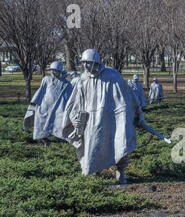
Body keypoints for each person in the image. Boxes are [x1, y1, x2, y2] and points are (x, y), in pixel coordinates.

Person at [62, 49, 146, 185]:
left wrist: (137, 114)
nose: (85, 67)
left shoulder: (112, 76)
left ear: (95, 63)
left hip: (112, 119)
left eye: (88, 63)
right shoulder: (83, 79)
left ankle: (121, 172)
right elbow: (75, 102)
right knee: (92, 146)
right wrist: (74, 117)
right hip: (91, 120)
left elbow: (128, 95)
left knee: (119, 143)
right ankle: (93, 172)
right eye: (84, 63)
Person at [24, 61, 73, 146]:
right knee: (41, 122)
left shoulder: (66, 84)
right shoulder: (46, 79)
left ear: (60, 71)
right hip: (44, 106)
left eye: (56, 70)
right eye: (52, 70)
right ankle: (45, 140)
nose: (53, 72)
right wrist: (34, 102)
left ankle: (62, 139)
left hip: (58, 108)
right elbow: (41, 90)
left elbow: (69, 97)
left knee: (59, 123)